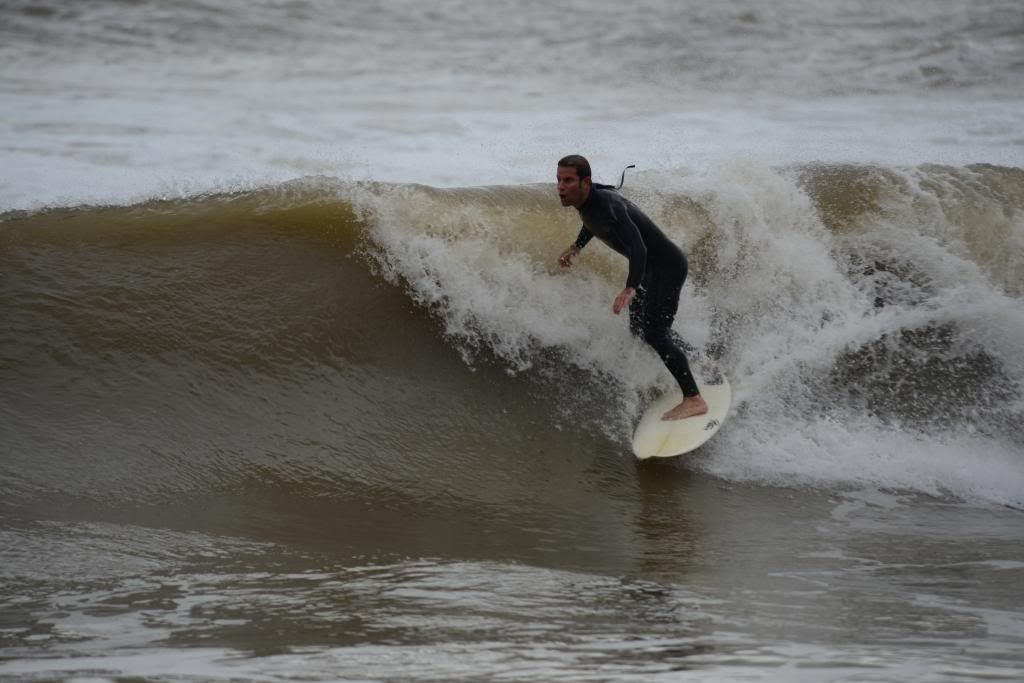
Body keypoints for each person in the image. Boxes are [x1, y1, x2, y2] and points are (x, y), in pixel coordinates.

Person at [555, 154, 707, 420]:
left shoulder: (609, 205)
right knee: (639, 328)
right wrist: (577, 246)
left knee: (655, 334)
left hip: (667, 267)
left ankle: (694, 399)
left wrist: (630, 287)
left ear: (585, 182)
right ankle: (700, 360)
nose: (560, 186)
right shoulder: (589, 201)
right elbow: (592, 222)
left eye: (568, 180)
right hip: (652, 269)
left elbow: (639, 246)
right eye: (558, 180)